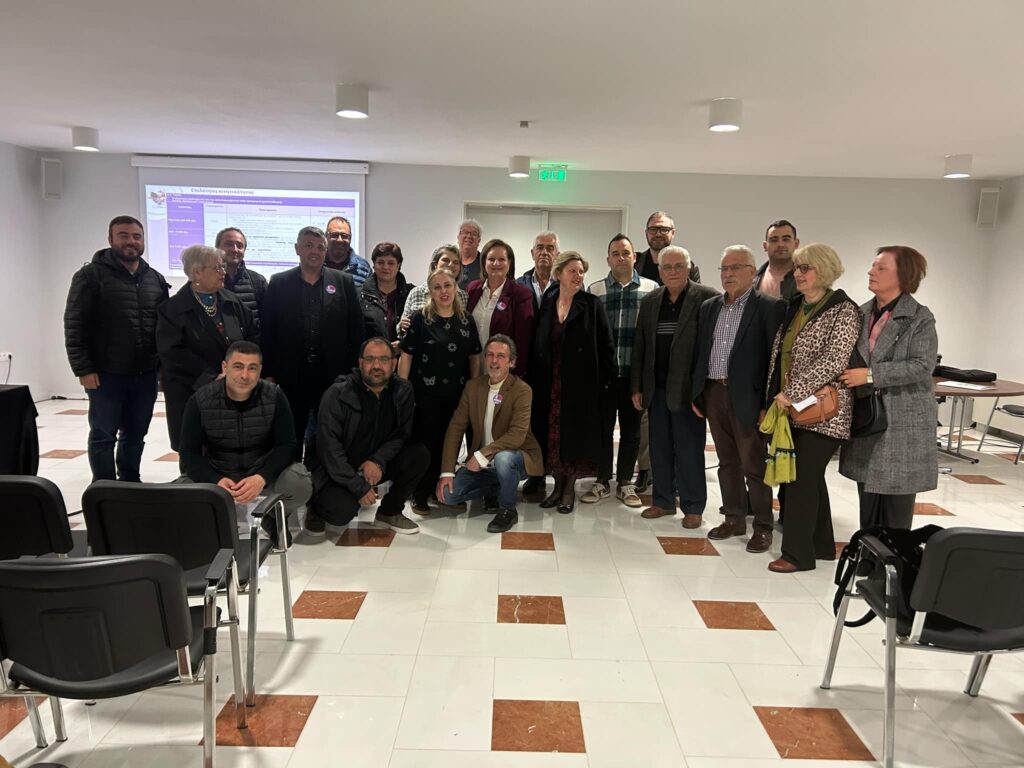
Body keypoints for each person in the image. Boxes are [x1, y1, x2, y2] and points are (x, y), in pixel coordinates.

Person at [765, 243, 861, 573]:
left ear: (825, 269)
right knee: (810, 478)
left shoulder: (843, 309)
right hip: (794, 408)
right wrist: (777, 397)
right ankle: (820, 546)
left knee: (801, 480)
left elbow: (834, 360)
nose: (799, 274)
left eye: (806, 268)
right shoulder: (796, 306)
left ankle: (797, 555)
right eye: (797, 268)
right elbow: (781, 356)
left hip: (826, 411)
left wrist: (792, 393)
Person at [692, 245, 785, 552]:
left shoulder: (770, 307)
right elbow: (702, 351)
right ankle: (733, 518)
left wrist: (767, 405)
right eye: (724, 268)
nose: (728, 274)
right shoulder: (710, 307)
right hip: (714, 392)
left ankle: (763, 526)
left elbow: (775, 361)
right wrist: (698, 392)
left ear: (751, 271)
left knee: (753, 463)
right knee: (726, 461)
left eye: (735, 268)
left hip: (749, 397)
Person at [64, 215, 170, 482]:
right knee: (103, 435)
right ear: (110, 239)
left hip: (145, 374)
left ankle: (130, 482)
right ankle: (104, 487)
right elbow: (75, 324)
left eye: (136, 236)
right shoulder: (90, 276)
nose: (130, 241)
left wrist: (161, 367)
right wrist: (83, 368)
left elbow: (163, 328)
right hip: (105, 374)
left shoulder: (155, 279)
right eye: (123, 235)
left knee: (135, 434)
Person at [839, 246, 938, 529]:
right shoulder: (861, 313)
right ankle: (868, 552)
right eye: (873, 266)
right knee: (868, 498)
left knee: (896, 507)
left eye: (881, 268)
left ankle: (895, 556)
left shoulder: (919, 317)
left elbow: (922, 365)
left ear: (903, 275)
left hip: (902, 422)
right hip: (867, 418)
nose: (871, 272)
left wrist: (871, 375)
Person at [177, 340, 312, 547]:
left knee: (299, 484)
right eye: (238, 366)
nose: (245, 375)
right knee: (179, 494)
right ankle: (212, 523)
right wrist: (215, 479)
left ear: (260, 371)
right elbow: (189, 453)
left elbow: (287, 445)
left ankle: (272, 517)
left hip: (260, 471)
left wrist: (261, 477)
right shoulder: (200, 400)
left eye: (252, 368)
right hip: (217, 472)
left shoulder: (274, 396)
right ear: (225, 367)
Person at [631, 246, 719, 527]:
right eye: (667, 267)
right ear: (659, 271)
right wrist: (637, 386)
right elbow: (641, 345)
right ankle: (663, 501)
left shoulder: (707, 298)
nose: (672, 271)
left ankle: (693, 506)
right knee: (659, 448)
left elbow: (712, 348)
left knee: (689, 449)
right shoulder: (651, 300)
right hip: (655, 388)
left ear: (689, 268)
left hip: (688, 390)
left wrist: (703, 390)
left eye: (678, 266)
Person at [261, 226, 364, 460]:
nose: (314, 252)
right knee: (290, 434)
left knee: (329, 434)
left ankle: (321, 478)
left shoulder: (343, 282)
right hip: (291, 374)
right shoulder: (279, 282)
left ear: (326, 251)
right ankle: (292, 477)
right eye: (308, 246)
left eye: (320, 247)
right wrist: (269, 373)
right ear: (297, 249)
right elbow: (268, 331)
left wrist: (352, 373)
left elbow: (356, 331)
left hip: (332, 375)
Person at [307, 337, 429, 535]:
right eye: (370, 359)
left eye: (383, 359)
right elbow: (328, 450)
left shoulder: (403, 390)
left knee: (418, 454)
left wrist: (378, 460)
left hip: (373, 465)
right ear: (360, 362)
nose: (377, 366)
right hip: (336, 469)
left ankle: (389, 512)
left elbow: (402, 434)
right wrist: (358, 487)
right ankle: (315, 507)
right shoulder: (337, 393)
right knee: (342, 512)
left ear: (393, 363)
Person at [530, 251, 615, 513]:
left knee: (574, 436)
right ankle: (557, 485)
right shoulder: (548, 302)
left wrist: (606, 382)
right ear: (558, 274)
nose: (578, 276)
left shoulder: (591, 304)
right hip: (550, 381)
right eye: (572, 271)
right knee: (553, 436)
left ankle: (569, 490)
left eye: (581, 271)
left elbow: (606, 345)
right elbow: (538, 339)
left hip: (581, 384)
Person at [436, 334, 544, 533]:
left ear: (512, 362)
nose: (494, 361)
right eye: (490, 355)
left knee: (503, 458)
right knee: (448, 495)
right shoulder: (473, 387)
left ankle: (507, 509)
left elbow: (517, 435)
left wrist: (481, 455)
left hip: (517, 458)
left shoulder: (522, 390)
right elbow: (455, 428)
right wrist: (447, 472)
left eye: (501, 356)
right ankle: (501, 487)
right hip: (485, 466)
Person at [156, 245, 258, 451]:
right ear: (196, 272)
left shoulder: (232, 301)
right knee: (196, 450)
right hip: (192, 392)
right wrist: (212, 378)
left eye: (223, 267)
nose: (223, 272)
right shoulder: (173, 309)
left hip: (234, 390)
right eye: (217, 268)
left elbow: (252, 335)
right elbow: (173, 353)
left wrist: (243, 370)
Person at [583, 233, 659, 507]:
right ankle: (602, 480)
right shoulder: (595, 290)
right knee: (603, 430)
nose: (621, 258)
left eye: (626, 253)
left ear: (634, 257)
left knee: (632, 432)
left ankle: (625, 481)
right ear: (608, 259)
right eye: (615, 253)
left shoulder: (651, 289)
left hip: (634, 377)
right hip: (604, 377)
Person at [398, 267, 482, 512]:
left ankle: (441, 492)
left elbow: (475, 356)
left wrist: (474, 388)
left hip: (457, 395)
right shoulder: (419, 319)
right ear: (430, 291)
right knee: (426, 444)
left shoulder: (466, 320)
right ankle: (419, 493)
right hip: (424, 396)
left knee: (450, 443)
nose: (443, 291)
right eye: (437, 287)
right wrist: (403, 391)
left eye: (447, 285)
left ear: (455, 287)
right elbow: (406, 355)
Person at [467, 238, 534, 377]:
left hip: (502, 372)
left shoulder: (521, 294)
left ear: (509, 263)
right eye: (491, 259)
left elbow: (523, 341)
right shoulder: (472, 289)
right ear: (484, 262)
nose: (496, 263)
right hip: (472, 369)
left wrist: (515, 374)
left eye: (501, 259)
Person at [398, 245, 470, 334]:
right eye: (446, 260)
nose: (451, 264)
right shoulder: (416, 292)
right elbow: (402, 327)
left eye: (455, 262)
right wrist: (401, 326)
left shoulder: (463, 296)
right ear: (435, 264)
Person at [360, 241, 413, 343]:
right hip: (370, 352)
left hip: (403, 352)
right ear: (373, 265)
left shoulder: (411, 293)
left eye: (391, 263)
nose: (385, 267)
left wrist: (403, 344)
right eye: (380, 262)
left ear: (398, 266)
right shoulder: (359, 295)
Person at [634, 211, 701, 285]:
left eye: (664, 229)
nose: (658, 234)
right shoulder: (634, 263)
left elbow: (696, 291)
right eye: (653, 229)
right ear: (646, 233)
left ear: (673, 233)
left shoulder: (687, 266)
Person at [217, 227, 268, 325]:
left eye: (239, 246)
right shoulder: (207, 279)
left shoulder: (258, 281)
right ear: (217, 248)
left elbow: (268, 319)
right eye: (229, 244)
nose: (234, 249)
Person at [754, 219, 800, 300]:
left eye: (786, 239)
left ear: (796, 244)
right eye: (774, 240)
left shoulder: (807, 278)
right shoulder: (752, 279)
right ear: (765, 246)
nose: (780, 244)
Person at [517, 231, 560, 311]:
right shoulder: (519, 284)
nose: (544, 252)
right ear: (532, 254)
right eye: (540, 248)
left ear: (557, 255)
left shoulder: (566, 284)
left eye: (550, 248)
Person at [325, 216, 372, 286]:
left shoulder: (364, 268)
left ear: (350, 238)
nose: (339, 240)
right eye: (334, 235)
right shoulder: (316, 265)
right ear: (326, 237)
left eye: (344, 236)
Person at [456, 219, 483, 288]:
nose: (469, 236)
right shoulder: (450, 261)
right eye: (464, 232)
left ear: (479, 240)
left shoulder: (485, 263)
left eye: (474, 234)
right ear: (458, 237)